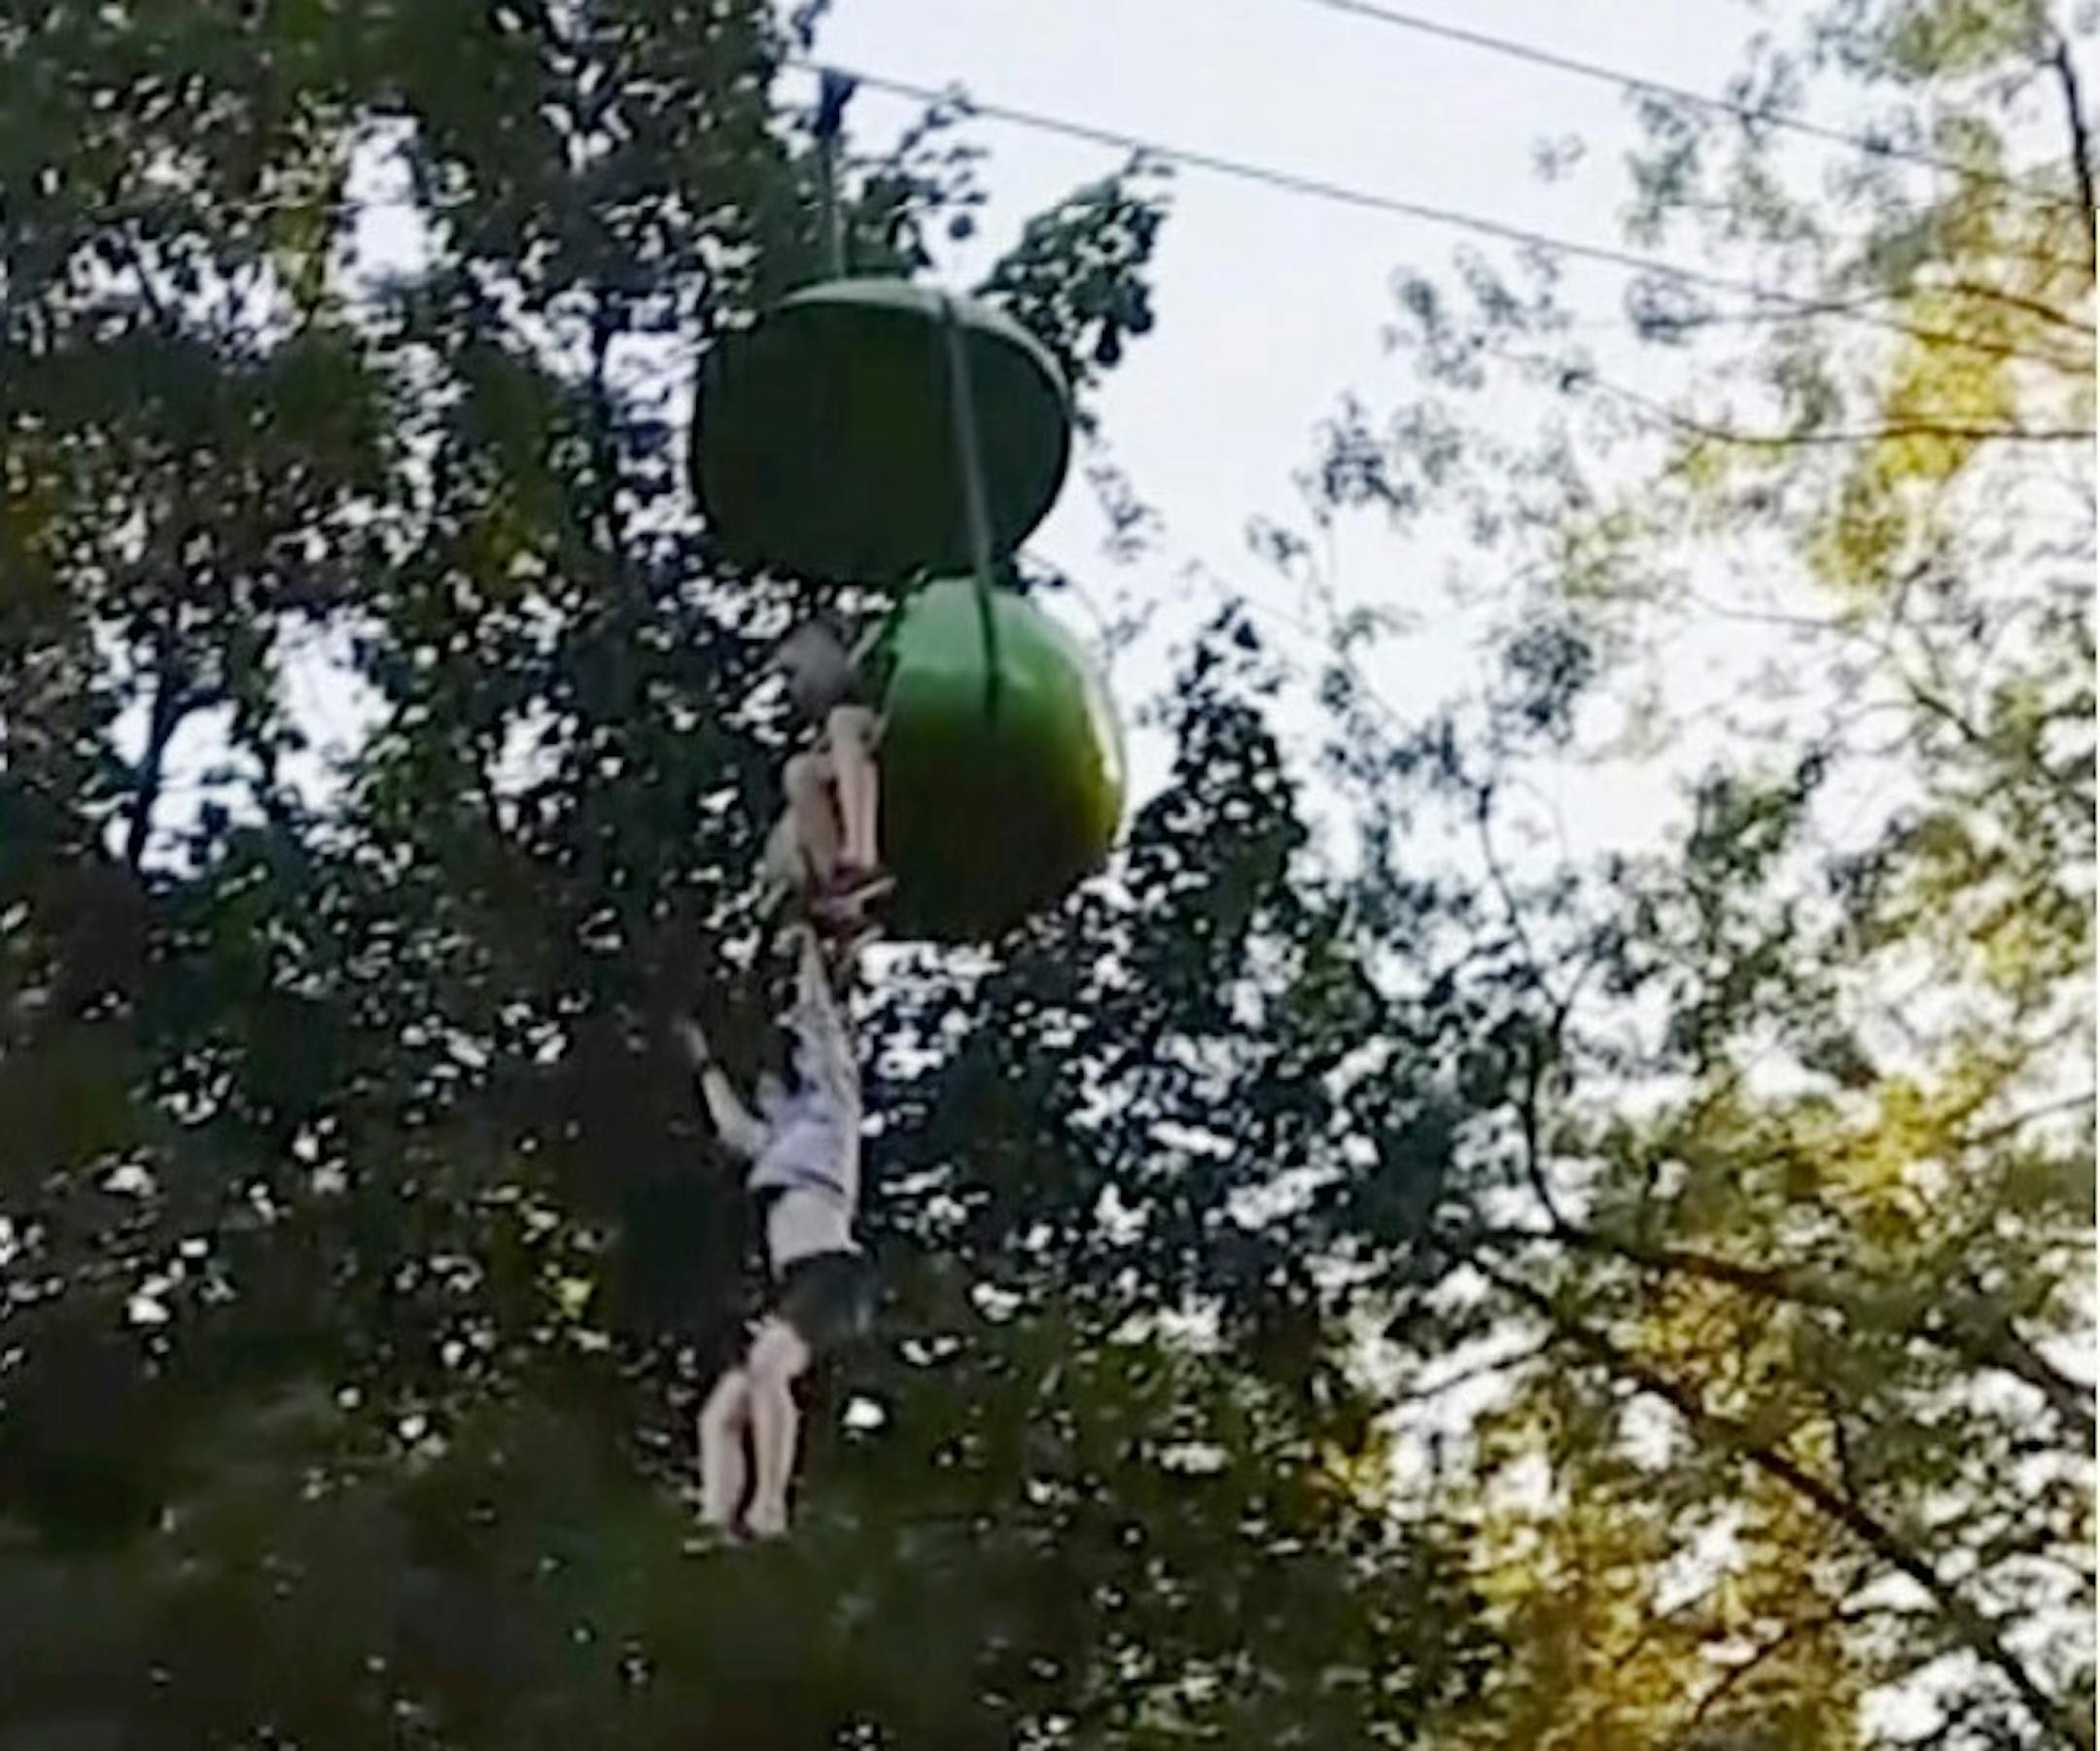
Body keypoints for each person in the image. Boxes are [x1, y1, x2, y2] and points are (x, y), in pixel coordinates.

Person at [677, 923, 873, 1538]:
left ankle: (769, 1508)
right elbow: (731, 1126)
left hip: (832, 1275)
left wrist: (810, 955)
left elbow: (823, 1033)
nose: (761, 1089)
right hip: (791, 1284)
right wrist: (704, 1060)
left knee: (767, 1370)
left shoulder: (832, 1109)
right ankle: (715, 1523)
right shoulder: (775, 1144)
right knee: (721, 1413)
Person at [760, 616, 892, 929]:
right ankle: (836, 883)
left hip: (893, 730)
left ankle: (862, 855)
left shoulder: (871, 658)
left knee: (844, 722)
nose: (793, 689)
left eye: (793, 673)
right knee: (799, 772)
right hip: (864, 754)